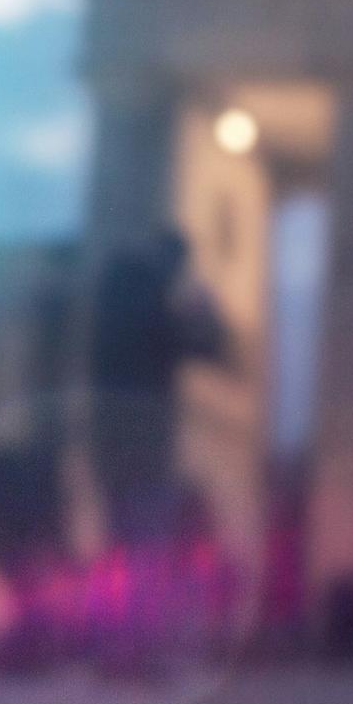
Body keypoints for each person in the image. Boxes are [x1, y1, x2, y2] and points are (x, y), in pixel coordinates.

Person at [85, 228, 231, 554]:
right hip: (143, 431)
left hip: (110, 431)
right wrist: (204, 311)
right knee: (143, 526)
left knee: (121, 522)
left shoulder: (119, 296)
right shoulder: (149, 299)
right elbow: (208, 347)